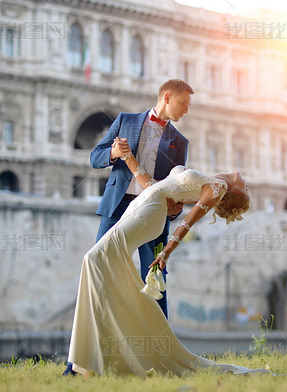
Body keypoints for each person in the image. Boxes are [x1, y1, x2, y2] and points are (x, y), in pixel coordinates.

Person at [67, 147, 273, 376]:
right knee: (100, 263)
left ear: (235, 191)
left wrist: (166, 252)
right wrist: (128, 158)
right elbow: (154, 184)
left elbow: (188, 222)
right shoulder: (210, 180)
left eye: (246, 187)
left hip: (150, 212)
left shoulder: (219, 187)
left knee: (94, 259)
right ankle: (99, 356)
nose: (246, 182)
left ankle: (94, 355)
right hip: (143, 203)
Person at [90, 78, 193, 317]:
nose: (187, 110)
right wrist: (114, 153)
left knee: (156, 274)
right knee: (100, 265)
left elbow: (174, 188)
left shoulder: (180, 142)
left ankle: (160, 343)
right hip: (116, 206)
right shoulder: (125, 120)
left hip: (153, 210)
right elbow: (95, 157)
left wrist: (174, 210)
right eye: (184, 103)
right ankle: (95, 331)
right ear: (167, 97)